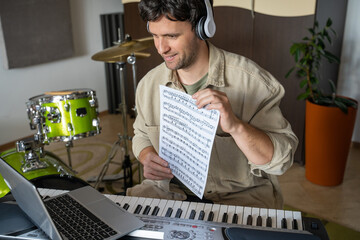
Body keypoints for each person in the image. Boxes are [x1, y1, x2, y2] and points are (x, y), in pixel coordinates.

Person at [126, 0, 298, 209]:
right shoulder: (148, 85)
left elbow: (281, 161)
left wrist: (236, 126)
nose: (161, 48)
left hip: (239, 200)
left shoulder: (253, 82)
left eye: (172, 36)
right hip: (170, 192)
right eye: (155, 35)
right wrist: (146, 155)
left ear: (202, 28)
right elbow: (141, 134)